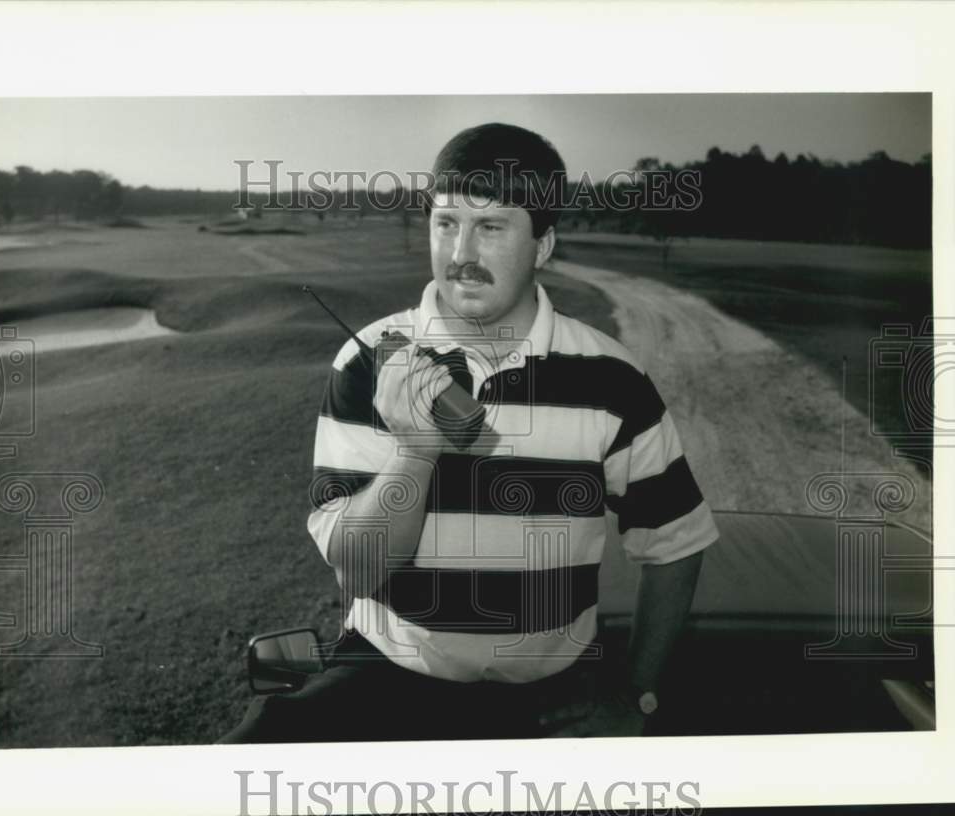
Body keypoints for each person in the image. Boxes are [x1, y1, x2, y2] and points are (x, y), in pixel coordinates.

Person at [219, 123, 718, 744]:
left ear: (543, 243)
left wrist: (634, 693)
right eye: (446, 223)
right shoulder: (368, 359)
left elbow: (676, 541)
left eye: (491, 227)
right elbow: (357, 570)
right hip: (387, 678)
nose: (461, 253)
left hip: (548, 703)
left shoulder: (614, 378)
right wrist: (416, 451)